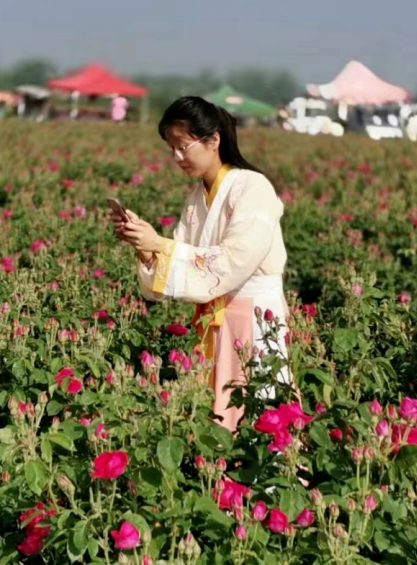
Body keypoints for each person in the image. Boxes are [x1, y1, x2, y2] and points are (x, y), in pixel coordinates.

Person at [112, 96, 292, 432]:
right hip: (215, 320)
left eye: (183, 146)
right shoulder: (196, 199)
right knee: (216, 416)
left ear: (213, 140)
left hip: (255, 318)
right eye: (171, 149)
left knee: (260, 412)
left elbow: (235, 260)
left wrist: (159, 244)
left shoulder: (253, 187)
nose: (177, 157)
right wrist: (145, 247)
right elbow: (179, 258)